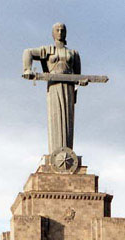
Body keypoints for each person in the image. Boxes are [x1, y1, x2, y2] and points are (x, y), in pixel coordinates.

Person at [23, 23, 81, 154]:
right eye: (57, 30)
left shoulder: (73, 53)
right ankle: (56, 153)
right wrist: (27, 69)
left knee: (68, 120)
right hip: (54, 87)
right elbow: (28, 52)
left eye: (62, 30)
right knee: (56, 118)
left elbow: (78, 76)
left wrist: (79, 84)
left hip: (69, 89)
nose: (60, 32)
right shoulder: (48, 50)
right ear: (53, 33)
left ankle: (67, 153)